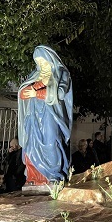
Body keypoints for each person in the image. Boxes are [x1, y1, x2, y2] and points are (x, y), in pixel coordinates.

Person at [18, 45, 73, 186]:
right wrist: (35, 86)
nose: (41, 65)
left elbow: (60, 93)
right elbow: (23, 92)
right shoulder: (35, 76)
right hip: (33, 117)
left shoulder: (61, 73)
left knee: (51, 143)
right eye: (38, 62)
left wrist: (38, 93)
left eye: (43, 61)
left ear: (51, 59)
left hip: (51, 116)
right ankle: (34, 178)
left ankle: (54, 175)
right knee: (31, 146)